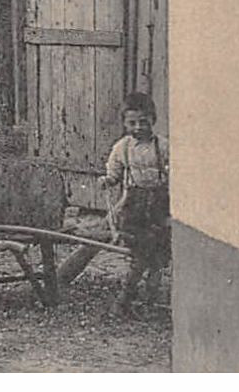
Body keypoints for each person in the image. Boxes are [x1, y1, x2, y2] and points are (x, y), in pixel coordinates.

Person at [100, 92, 169, 318]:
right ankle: (124, 300)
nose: (138, 127)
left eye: (143, 121)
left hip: (159, 205)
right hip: (135, 207)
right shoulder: (123, 147)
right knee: (139, 257)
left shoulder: (163, 146)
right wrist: (109, 179)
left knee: (158, 259)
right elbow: (114, 171)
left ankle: (151, 303)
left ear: (153, 119)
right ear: (124, 123)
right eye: (132, 123)